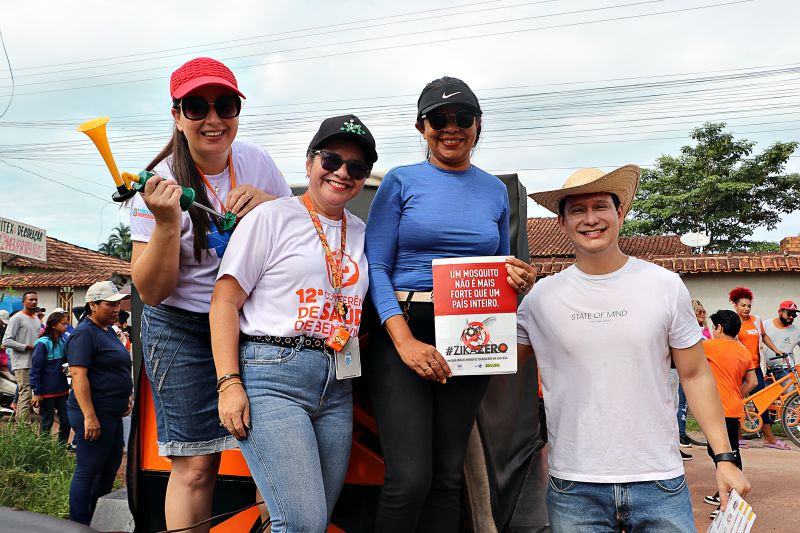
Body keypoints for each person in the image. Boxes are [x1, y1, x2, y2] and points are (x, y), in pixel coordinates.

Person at [517, 165, 750, 532]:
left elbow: (694, 373)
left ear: (620, 213)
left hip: (659, 480)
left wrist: (724, 457)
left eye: (600, 207)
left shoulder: (664, 285)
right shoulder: (540, 299)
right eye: (577, 210)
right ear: (562, 222)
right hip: (574, 485)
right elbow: (495, 361)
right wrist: (496, 296)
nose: (590, 219)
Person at [364, 76, 535, 532]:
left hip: (469, 331)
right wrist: (402, 341)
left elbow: (498, 268)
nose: (451, 127)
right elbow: (376, 267)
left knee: (446, 477)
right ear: (422, 127)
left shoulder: (495, 191)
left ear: (478, 125)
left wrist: (515, 277)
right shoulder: (400, 182)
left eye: (463, 117)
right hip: (403, 327)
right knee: (408, 477)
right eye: (439, 118)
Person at [130, 56, 291, 531]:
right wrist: (165, 224)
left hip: (250, 321)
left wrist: (272, 207)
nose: (213, 119)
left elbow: (300, 232)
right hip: (180, 325)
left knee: (273, 458)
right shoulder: (157, 183)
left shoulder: (258, 162)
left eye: (225, 104)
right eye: (196, 107)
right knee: (196, 467)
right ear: (177, 116)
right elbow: (153, 292)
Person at [211, 114, 376, 532]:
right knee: (302, 522)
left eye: (356, 168)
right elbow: (225, 301)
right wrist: (229, 383)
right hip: (273, 375)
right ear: (309, 163)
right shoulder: (272, 218)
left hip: (335, 385)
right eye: (332, 159)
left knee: (309, 521)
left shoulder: (360, 232)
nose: (342, 172)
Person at [66, 281, 133, 524]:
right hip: (94, 411)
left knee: (110, 465)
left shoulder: (107, 331)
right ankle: (79, 523)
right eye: (110, 304)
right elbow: (78, 375)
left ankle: (97, 517)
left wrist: (123, 398)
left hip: (111, 411)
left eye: (117, 304)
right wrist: (89, 416)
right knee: (89, 469)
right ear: (92, 305)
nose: (116, 309)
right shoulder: (84, 333)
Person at [701, 310, 758, 519]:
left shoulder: (709, 346)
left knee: (725, 454)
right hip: (733, 408)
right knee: (725, 451)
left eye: (713, 327)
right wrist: (736, 395)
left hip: (718, 409)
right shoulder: (744, 351)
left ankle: (733, 498)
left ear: (719, 328)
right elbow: (752, 382)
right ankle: (725, 490)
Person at [728, 286, 787, 449]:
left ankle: (768, 438)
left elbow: (764, 336)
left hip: (755, 368)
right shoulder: (731, 323)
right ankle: (737, 437)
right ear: (735, 305)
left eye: (749, 306)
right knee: (738, 401)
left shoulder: (756, 320)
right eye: (743, 305)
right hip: (738, 369)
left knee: (763, 401)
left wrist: (776, 350)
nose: (746, 309)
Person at [30, 311, 71, 443]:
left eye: (67, 324)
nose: (66, 326)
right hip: (47, 390)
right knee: (47, 422)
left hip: (62, 388)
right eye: (63, 324)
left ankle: (61, 449)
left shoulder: (62, 341)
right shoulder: (42, 343)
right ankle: (44, 450)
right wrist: (37, 392)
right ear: (53, 325)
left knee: (66, 419)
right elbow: (36, 369)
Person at [2, 290, 40, 423]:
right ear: (24, 301)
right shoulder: (16, 318)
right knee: (25, 393)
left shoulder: (36, 320)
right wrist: (26, 346)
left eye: (35, 299)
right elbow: (6, 341)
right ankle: (22, 426)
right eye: (30, 299)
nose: (34, 301)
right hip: (21, 363)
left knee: (29, 394)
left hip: (34, 362)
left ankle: (24, 424)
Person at [762, 300, 800, 394]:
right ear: (779, 311)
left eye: (794, 315)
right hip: (766, 371)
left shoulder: (796, 331)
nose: (791, 317)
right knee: (766, 402)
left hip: (785, 371)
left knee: (790, 399)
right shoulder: (765, 324)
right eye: (789, 313)